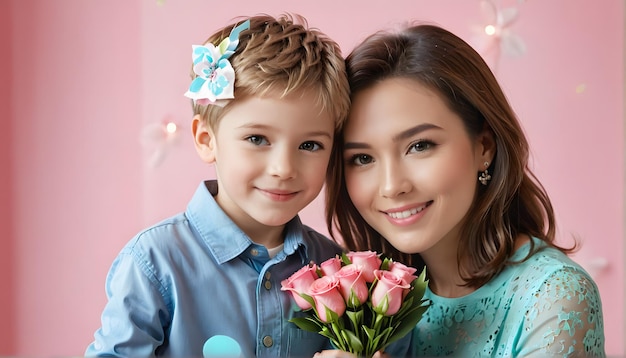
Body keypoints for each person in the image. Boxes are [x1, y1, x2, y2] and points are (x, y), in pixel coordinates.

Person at [324, 23, 605, 357]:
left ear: (484, 147)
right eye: (363, 157)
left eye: (420, 146)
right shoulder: (362, 302)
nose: (392, 186)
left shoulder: (553, 297)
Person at [85, 13, 352, 357]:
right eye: (257, 138)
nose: (284, 168)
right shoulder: (155, 262)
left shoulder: (337, 269)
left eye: (310, 145)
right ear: (206, 138)